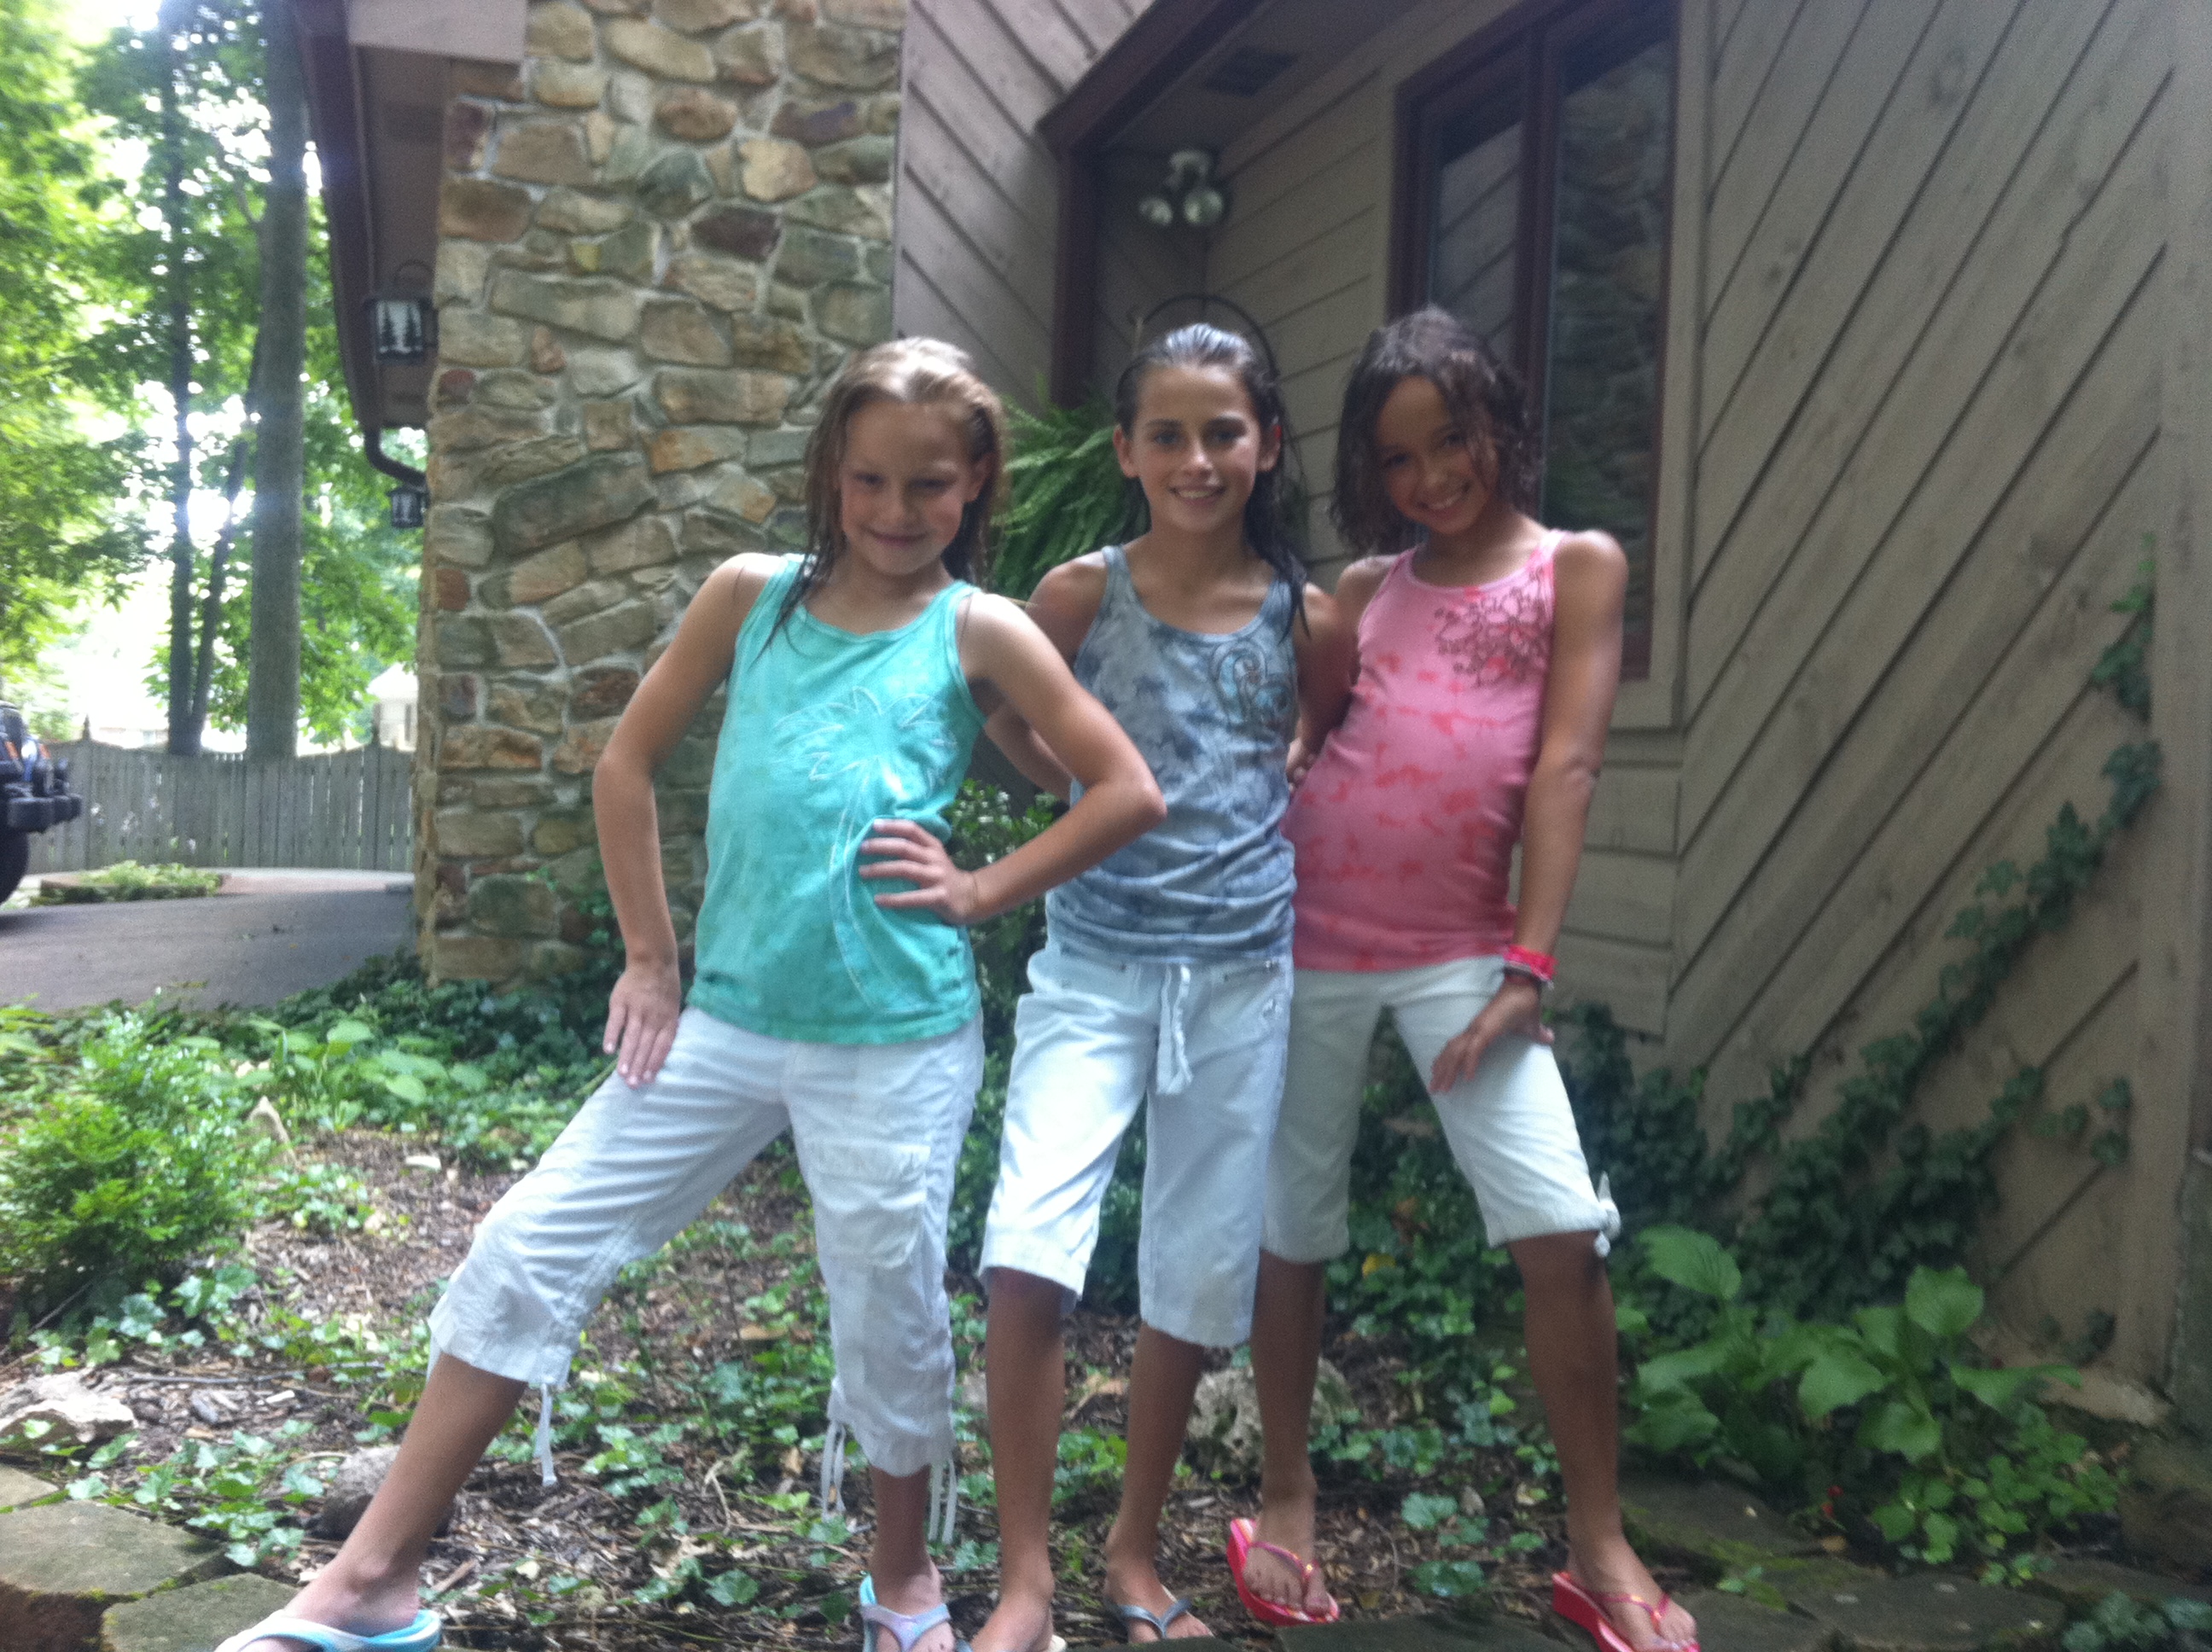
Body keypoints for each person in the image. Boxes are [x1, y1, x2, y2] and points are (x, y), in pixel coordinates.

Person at [214, 339, 1166, 1652]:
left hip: (896, 1041)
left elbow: (1125, 788)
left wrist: (981, 889)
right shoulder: (749, 598)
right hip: (726, 1023)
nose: (896, 509)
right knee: (530, 1240)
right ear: (831, 470)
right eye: (870, 479)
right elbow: (627, 764)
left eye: (929, 485)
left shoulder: (979, 628)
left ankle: (903, 1588)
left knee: (888, 1313)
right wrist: (651, 958)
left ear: (975, 482)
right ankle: (374, 1576)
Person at [1238, 307, 1697, 1652]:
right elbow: (1310, 736)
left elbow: (1567, 766)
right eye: (1398, 457)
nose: (1431, 475)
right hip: (1305, 937)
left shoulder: (1576, 567)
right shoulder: (1366, 589)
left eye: (1452, 439)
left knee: (1559, 1228)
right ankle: (1284, 1499)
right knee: (1292, 1227)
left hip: (1462, 954)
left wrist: (1527, 969)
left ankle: (1598, 1544)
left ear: (1501, 420)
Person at [968, 323, 1348, 1651]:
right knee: (1027, 1252)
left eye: (1224, 432)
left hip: (1241, 981)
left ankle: (1132, 1555)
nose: (1198, 459)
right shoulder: (1082, 594)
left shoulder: (1306, 615)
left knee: (1192, 1277)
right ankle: (1026, 1584)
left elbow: (1319, 721)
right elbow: (1002, 707)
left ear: (1268, 445)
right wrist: (1067, 785)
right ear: (1127, 451)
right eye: (1169, 435)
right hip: (1094, 970)